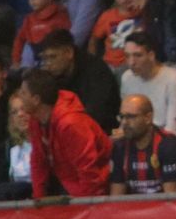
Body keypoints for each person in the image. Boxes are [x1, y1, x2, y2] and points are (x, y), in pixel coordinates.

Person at [21, 68, 111, 197]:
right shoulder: (35, 120)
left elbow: (88, 169)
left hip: (99, 188)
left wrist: (87, 204)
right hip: (69, 185)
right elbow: (38, 161)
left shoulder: (70, 124)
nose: (20, 97)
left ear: (36, 99)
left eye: (23, 93)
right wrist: (38, 198)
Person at [37, 29, 120, 134]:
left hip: (101, 132)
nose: (48, 63)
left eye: (53, 57)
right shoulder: (52, 75)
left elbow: (97, 112)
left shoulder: (96, 71)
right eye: (45, 58)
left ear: (69, 52)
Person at [109, 95, 176, 195]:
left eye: (131, 117)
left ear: (148, 118)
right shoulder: (120, 148)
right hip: (137, 205)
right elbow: (116, 199)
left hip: (170, 205)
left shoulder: (170, 146)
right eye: (122, 117)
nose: (124, 122)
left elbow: (172, 199)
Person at [119, 33, 176, 137]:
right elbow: (125, 118)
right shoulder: (126, 78)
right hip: (136, 135)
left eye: (138, 55)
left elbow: (173, 128)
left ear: (151, 55)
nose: (131, 62)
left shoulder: (173, 79)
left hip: (165, 138)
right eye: (127, 56)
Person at [12, 0, 71, 68]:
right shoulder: (29, 19)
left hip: (54, 61)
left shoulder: (60, 14)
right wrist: (16, 60)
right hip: (34, 61)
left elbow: (65, 40)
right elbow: (19, 40)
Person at [90, 0, 144, 71]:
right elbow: (93, 40)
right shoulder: (107, 16)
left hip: (136, 64)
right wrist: (93, 62)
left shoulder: (145, 13)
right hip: (111, 64)